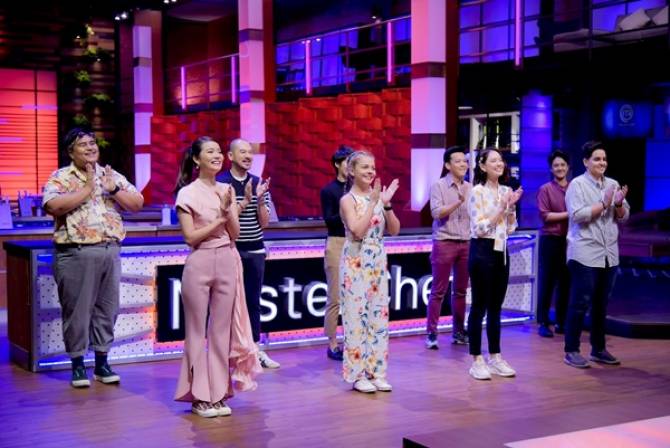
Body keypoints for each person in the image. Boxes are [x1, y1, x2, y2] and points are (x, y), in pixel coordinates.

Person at [43, 127, 144, 388]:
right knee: (77, 311)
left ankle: (102, 363)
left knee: (107, 309)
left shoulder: (110, 175)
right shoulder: (61, 177)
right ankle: (78, 365)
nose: (90, 148)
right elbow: (53, 206)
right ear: (70, 152)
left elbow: (137, 203)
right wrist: (88, 187)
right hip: (76, 251)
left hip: (110, 250)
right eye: (83, 144)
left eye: (92, 143)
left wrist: (114, 189)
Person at [173, 136, 261, 418]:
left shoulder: (226, 190)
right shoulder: (187, 193)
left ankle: (219, 393)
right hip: (200, 260)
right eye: (210, 151)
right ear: (196, 159)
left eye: (219, 151)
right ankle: (199, 396)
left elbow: (235, 233)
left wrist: (229, 212)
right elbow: (190, 237)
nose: (217, 155)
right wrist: (220, 219)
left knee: (221, 332)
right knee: (196, 331)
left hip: (227, 260)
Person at [563, 141, 629, 369]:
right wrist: (604, 203)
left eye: (604, 159)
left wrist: (618, 204)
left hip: (609, 253)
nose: (602, 163)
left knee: (601, 304)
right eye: (597, 159)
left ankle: (598, 349)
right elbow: (577, 215)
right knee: (580, 302)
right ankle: (571, 350)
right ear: (586, 162)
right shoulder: (577, 185)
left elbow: (624, 216)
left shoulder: (612, 183)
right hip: (584, 252)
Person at [339, 151, 400, 393]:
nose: (370, 171)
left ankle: (377, 372)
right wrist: (373, 203)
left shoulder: (378, 198)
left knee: (378, 316)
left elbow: (394, 230)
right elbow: (357, 230)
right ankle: (357, 374)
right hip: (356, 260)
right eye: (364, 167)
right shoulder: (348, 200)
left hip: (377, 260)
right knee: (355, 318)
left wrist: (387, 204)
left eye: (372, 167)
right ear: (351, 171)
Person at [217, 138, 280, 369]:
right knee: (227, 303)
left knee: (253, 302)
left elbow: (264, 223)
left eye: (250, 152)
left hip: (255, 250)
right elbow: (222, 219)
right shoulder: (221, 183)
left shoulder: (258, 182)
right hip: (230, 249)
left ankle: (255, 350)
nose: (248, 156)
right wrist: (244, 201)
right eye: (242, 152)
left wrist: (260, 199)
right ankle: (226, 353)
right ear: (230, 156)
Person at [467, 149, 523, 381]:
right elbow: (479, 227)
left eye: (501, 160)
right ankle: (476, 360)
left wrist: (510, 208)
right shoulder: (476, 192)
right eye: (494, 161)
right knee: (479, 306)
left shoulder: (506, 191)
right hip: (482, 250)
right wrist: (500, 208)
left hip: (501, 250)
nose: (499, 164)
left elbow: (510, 227)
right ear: (482, 166)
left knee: (496, 308)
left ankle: (495, 357)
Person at [425, 146, 472, 349]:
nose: (463, 164)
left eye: (465, 161)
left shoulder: (471, 187)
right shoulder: (438, 186)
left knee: (461, 291)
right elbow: (436, 213)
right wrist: (457, 203)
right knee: (438, 290)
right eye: (458, 161)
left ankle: (458, 332)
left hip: (466, 243)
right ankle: (431, 333)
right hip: (444, 242)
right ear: (447, 165)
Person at [321, 145, 355, 361]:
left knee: (354, 297)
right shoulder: (329, 190)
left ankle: (352, 341)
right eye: (347, 162)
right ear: (337, 164)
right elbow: (329, 220)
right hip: (336, 242)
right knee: (335, 297)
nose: (351, 167)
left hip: (356, 242)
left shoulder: (357, 189)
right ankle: (332, 343)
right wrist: (346, 212)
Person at [537, 150, 571, 338]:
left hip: (569, 240)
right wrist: (571, 214)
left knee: (565, 282)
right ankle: (543, 322)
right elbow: (546, 216)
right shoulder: (545, 189)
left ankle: (561, 322)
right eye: (556, 165)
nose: (559, 168)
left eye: (562, 165)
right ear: (551, 169)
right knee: (547, 282)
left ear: (568, 167)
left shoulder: (575, 188)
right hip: (550, 240)